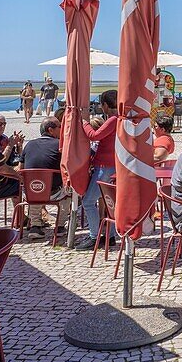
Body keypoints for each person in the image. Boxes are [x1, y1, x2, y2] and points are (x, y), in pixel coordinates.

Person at [75, 89, 119, 251]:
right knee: (107, 203)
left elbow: (94, 135)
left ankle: (94, 236)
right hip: (111, 165)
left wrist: (84, 121)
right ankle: (110, 235)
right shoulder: (120, 118)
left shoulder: (113, 119)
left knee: (87, 201)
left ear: (106, 105)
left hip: (105, 166)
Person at [21, 116, 71, 241]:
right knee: (70, 190)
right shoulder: (60, 146)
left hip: (32, 192)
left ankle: (35, 225)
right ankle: (59, 226)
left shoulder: (29, 145)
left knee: (34, 189)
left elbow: (20, 168)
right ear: (50, 130)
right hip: (54, 192)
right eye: (60, 126)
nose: (62, 129)